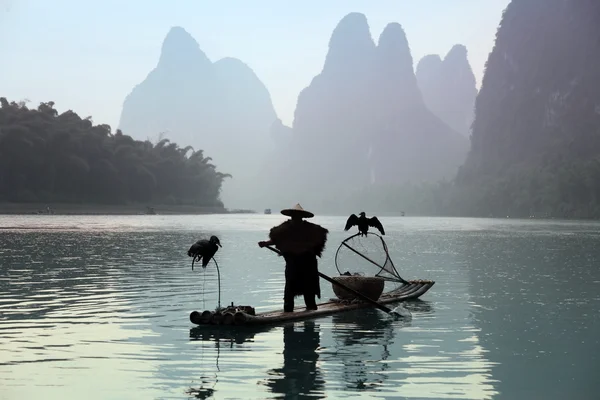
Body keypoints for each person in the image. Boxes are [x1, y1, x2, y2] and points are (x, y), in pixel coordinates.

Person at [258, 204, 329, 312]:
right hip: (292, 263)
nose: (296, 217)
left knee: (309, 288)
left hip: (308, 264)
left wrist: (306, 248)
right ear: (291, 216)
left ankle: (311, 310)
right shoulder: (284, 229)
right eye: (294, 215)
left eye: (298, 215)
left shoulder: (310, 229)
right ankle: (288, 311)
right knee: (290, 288)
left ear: (302, 216)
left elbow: (319, 238)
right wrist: (265, 243)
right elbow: (277, 239)